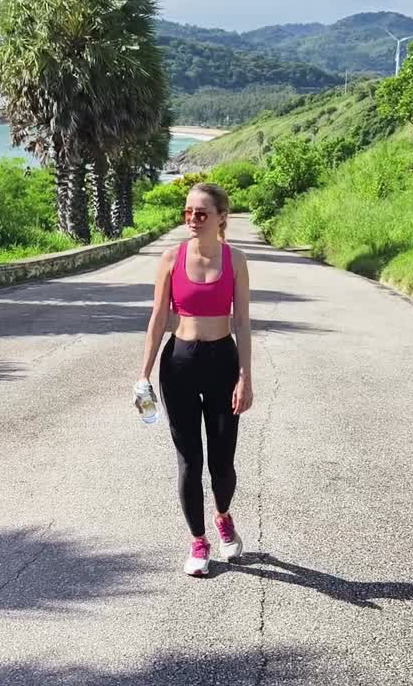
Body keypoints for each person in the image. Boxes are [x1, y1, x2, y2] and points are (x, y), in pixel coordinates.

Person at [139, 183, 254, 577]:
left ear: (221, 217)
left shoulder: (235, 259)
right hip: (180, 363)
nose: (192, 219)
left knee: (222, 464)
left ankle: (223, 515)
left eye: (201, 213)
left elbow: (241, 321)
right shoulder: (171, 258)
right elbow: (157, 319)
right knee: (190, 461)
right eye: (187, 212)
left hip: (223, 360)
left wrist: (246, 377)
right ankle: (199, 541)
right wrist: (144, 373)